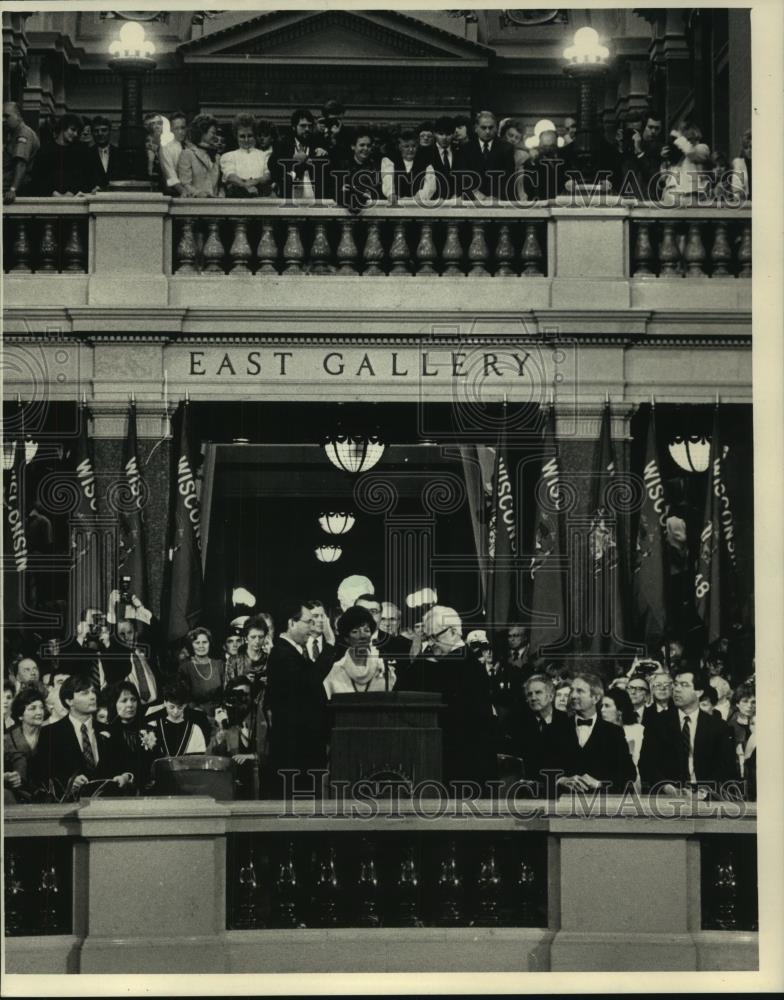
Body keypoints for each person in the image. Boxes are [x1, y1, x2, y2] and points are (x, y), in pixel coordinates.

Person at [396, 605, 496, 794]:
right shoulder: (434, 659)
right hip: (434, 758)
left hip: (466, 764)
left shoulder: (469, 666)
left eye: (435, 636)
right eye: (428, 637)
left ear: (453, 632)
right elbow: (402, 689)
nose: (431, 643)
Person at [638, 665, 738, 798]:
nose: (676, 689)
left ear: (699, 692)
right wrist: (666, 787)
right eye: (676, 684)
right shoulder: (657, 723)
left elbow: (727, 767)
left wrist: (704, 792)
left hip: (707, 798)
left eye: (684, 685)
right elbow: (646, 764)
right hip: (667, 797)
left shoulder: (718, 727)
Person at [263, 601, 328, 797]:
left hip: (302, 745)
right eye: (308, 622)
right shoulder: (282, 653)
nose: (313, 626)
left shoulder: (293, 652)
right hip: (294, 748)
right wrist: (331, 645)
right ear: (292, 623)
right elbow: (310, 682)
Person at [32, 675, 133, 799]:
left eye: (93, 692)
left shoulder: (111, 730)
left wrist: (125, 776)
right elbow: (41, 773)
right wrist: (68, 782)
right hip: (71, 805)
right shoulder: (50, 733)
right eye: (85, 693)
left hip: (109, 803)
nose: (92, 697)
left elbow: (129, 764)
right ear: (69, 701)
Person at [556, 673, 637, 794]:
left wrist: (599, 784)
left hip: (602, 806)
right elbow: (539, 767)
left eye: (580, 691)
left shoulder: (614, 732)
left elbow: (629, 774)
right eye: (572, 690)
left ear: (596, 698)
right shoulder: (555, 729)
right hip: (562, 806)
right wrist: (561, 780)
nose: (573, 695)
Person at [518, 674, 573, 796]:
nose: (533, 698)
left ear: (551, 696)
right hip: (529, 792)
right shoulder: (518, 724)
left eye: (538, 693)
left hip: (562, 792)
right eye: (529, 694)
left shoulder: (567, 722)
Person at [323, 606, 393, 699]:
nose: (362, 636)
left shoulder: (384, 671)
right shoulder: (334, 672)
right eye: (355, 631)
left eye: (366, 630)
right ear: (346, 638)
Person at [209, 677, 260, 798]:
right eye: (236, 695)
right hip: (230, 783)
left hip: (258, 782)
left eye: (245, 695)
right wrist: (221, 729)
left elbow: (272, 751)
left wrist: (252, 756)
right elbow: (210, 757)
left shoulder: (259, 716)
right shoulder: (223, 717)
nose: (241, 699)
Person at [270, 108, 330, 201]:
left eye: (310, 126)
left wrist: (322, 155)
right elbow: (272, 165)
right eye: (303, 126)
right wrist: (293, 159)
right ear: (294, 127)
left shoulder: (319, 143)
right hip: (288, 196)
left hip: (316, 197)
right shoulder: (283, 144)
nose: (307, 129)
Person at [458, 110, 516, 201]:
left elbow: (508, 177)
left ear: (496, 128)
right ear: (476, 128)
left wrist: (495, 196)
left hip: (498, 201)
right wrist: (477, 195)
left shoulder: (506, 148)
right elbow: (463, 177)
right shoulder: (465, 148)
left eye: (491, 127)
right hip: (472, 201)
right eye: (483, 128)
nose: (488, 131)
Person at [33, 113, 94, 196]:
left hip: (75, 199)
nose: (76, 134)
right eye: (73, 129)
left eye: (77, 131)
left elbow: (85, 177)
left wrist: (72, 192)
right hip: (49, 200)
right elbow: (38, 177)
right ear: (63, 127)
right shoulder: (45, 150)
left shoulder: (81, 150)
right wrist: (52, 193)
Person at [107, 680, 152, 792]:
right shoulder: (107, 733)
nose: (130, 705)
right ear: (114, 704)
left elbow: (151, 765)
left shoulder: (149, 730)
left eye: (133, 700)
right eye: (124, 700)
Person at [3, 687, 47, 802]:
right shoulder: (7, 739)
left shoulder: (49, 734)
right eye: (32, 708)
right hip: (16, 796)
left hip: (47, 795)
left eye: (41, 708)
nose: (39, 712)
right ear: (20, 715)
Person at [145, 680, 207, 760]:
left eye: (180, 707)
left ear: (185, 705)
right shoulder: (152, 726)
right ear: (165, 703)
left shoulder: (195, 730)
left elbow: (198, 760)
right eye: (171, 707)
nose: (175, 711)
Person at [221, 113, 272, 198]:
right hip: (236, 199)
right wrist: (245, 186)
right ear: (236, 136)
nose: (246, 140)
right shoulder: (228, 156)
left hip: (261, 197)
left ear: (255, 135)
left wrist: (254, 182)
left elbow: (267, 175)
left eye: (250, 136)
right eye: (242, 136)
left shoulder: (264, 155)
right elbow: (230, 175)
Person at [178, 626, 225, 717]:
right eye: (197, 643)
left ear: (210, 644)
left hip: (220, 714)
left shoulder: (219, 665)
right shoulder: (185, 668)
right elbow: (184, 698)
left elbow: (225, 693)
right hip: (196, 715)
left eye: (204, 642)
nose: (201, 646)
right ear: (191, 645)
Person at [380, 128, 435, 203]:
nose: (411, 149)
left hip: (418, 205)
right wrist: (391, 193)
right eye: (406, 146)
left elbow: (431, 185)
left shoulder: (426, 162)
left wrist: (422, 195)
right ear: (399, 147)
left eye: (414, 146)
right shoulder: (389, 160)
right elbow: (387, 180)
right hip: (395, 204)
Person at [334, 128, 380, 213]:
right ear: (353, 146)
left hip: (369, 213)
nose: (366, 148)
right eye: (362, 145)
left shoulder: (375, 167)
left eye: (368, 145)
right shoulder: (343, 167)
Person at [600, 686, 645, 773]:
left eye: (607, 706)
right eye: (602, 706)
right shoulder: (600, 731)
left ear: (620, 710)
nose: (602, 710)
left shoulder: (638, 731)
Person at [177, 114, 222, 197]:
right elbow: (185, 183)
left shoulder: (217, 156)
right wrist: (198, 194)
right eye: (213, 133)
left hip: (215, 204)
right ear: (202, 132)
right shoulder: (188, 154)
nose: (215, 136)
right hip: (195, 204)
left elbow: (220, 185)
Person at [3, 101, 40, 202]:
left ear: (18, 116)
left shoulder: (24, 133)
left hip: (16, 191)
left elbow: (21, 164)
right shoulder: (12, 133)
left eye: (7, 116)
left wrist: (12, 189)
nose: (3, 120)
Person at [159, 110, 188, 197]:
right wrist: (183, 191)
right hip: (176, 194)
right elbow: (170, 175)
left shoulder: (192, 147)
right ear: (171, 129)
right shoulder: (166, 148)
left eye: (183, 128)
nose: (180, 132)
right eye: (177, 128)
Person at [87, 116, 119, 190]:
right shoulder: (86, 154)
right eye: (96, 131)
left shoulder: (120, 153)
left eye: (104, 130)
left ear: (110, 132)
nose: (100, 133)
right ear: (92, 133)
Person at [727, 681, 755, 747]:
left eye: (753, 702)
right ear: (737, 703)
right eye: (745, 701)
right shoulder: (731, 725)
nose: (749, 706)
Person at [729, 129, 751, 201]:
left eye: (751, 147)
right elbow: (736, 184)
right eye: (746, 147)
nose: (749, 150)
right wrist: (737, 195)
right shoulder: (739, 162)